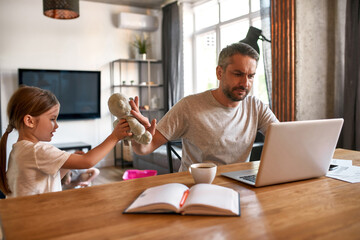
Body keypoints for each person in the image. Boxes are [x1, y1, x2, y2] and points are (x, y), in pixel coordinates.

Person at [130, 42, 279, 172]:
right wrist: (138, 137)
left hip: (239, 187)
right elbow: (145, 148)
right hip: (197, 188)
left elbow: (283, 140)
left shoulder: (256, 107)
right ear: (219, 73)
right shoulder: (189, 106)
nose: (245, 83)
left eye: (251, 76)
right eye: (238, 74)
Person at [0, 86, 132, 198]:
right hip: (40, 220)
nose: (56, 126)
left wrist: (66, 162)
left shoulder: (19, 150)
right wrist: (115, 136)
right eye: (52, 119)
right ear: (29, 121)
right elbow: (88, 161)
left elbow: (46, 179)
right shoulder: (37, 151)